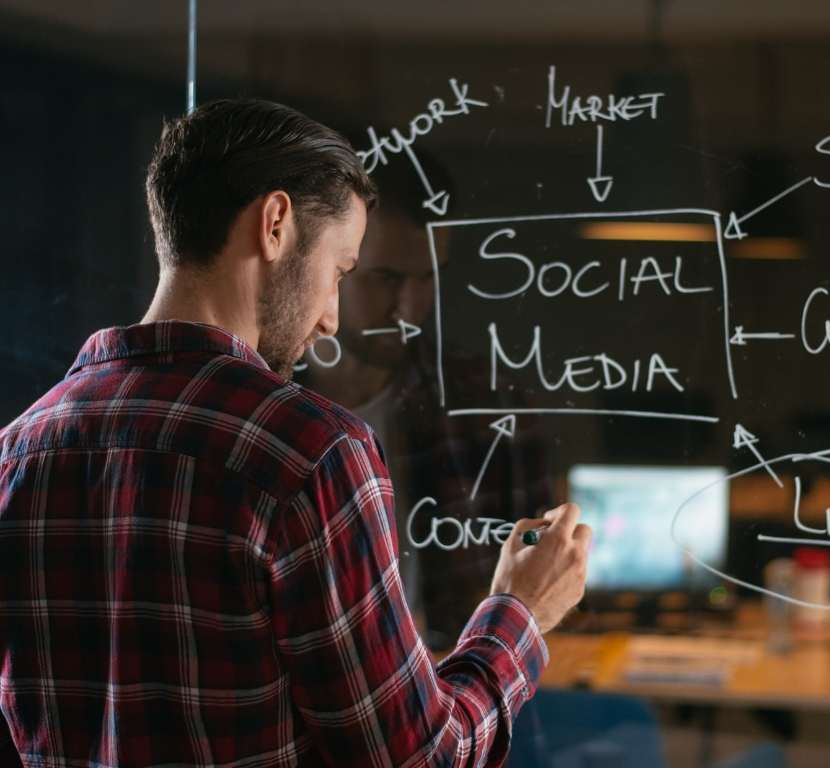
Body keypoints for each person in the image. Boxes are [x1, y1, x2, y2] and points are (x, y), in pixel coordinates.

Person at [0, 98, 591, 767]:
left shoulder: (19, 450)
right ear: (275, 224)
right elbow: (421, 759)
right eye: (340, 270)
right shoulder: (311, 452)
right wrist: (520, 610)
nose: (331, 318)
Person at [300, 157, 553, 648]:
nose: (410, 308)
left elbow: (535, 576)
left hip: (459, 683)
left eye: (428, 277)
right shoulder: (264, 407)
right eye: (386, 278)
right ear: (329, 265)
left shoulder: (491, 402)